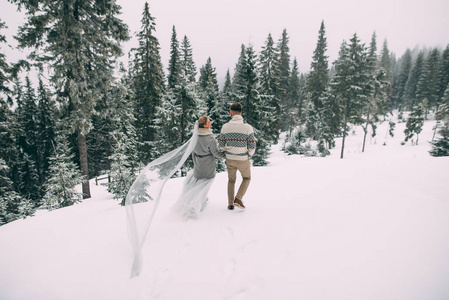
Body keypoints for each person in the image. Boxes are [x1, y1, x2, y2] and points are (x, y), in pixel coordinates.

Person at [172, 116, 225, 218]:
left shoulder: (195, 136)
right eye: (209, 122)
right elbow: (215, 153)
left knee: (199, 183)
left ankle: (198, 201)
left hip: (198, 164)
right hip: (208, 165)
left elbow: (193, 152)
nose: (210, 123)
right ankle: (198, 204)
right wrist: (227, 156)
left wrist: (196, 163)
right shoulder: (210, 138)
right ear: (205, 125)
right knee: (206, 184)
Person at [219, 102, 256, 210]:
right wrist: (249, 155)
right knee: (247, 178)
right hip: (243, 159)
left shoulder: (225, 127)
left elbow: (221, 145)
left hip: (230, 158)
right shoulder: (248, 127)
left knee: (231, 180)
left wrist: (228, 150)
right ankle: (238, 198)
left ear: (232, 112)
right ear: (240, 112)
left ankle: (230, 204)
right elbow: (252, 145)